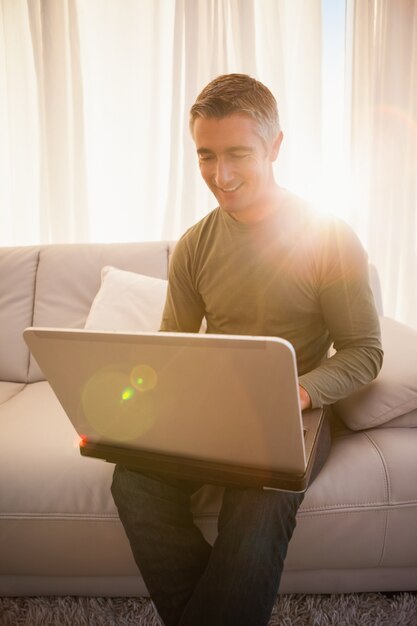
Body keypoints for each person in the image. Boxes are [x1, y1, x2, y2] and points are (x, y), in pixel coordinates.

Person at [111, 74, 383, 626]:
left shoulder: (328, 236)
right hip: (215, 404)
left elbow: (363, 350)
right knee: (132, 478)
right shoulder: (194, 244)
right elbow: (176, 345)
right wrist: (141, 398)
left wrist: (302, 392)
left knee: (260, 495)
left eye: (237, 154)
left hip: (296, 409)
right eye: (206, 156)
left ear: (275, 147)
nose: (221, 175)